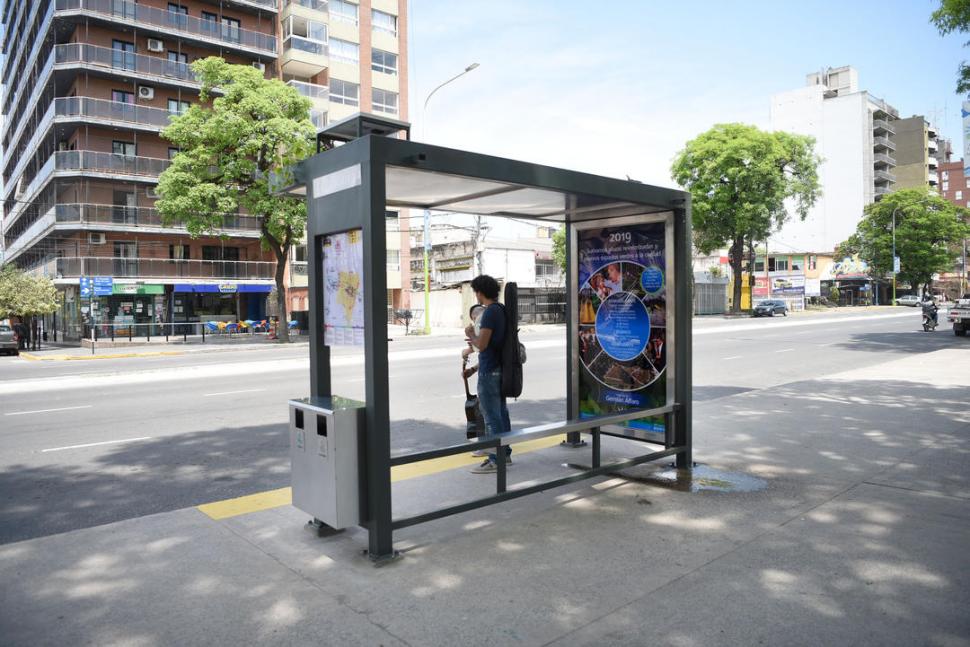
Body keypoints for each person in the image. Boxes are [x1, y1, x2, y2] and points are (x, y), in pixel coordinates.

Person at [463, 275, 512, 473]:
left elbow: (482, 345)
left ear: (480, 292)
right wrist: (474, 369)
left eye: (476, 291)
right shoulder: (501, 309)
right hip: (499, 369)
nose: (476, 295)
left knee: (491, 416)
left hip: (490, 371)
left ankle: (495, 459)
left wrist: (471, 335)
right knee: (501, 413)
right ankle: (505, 454)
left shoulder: (490, 312)